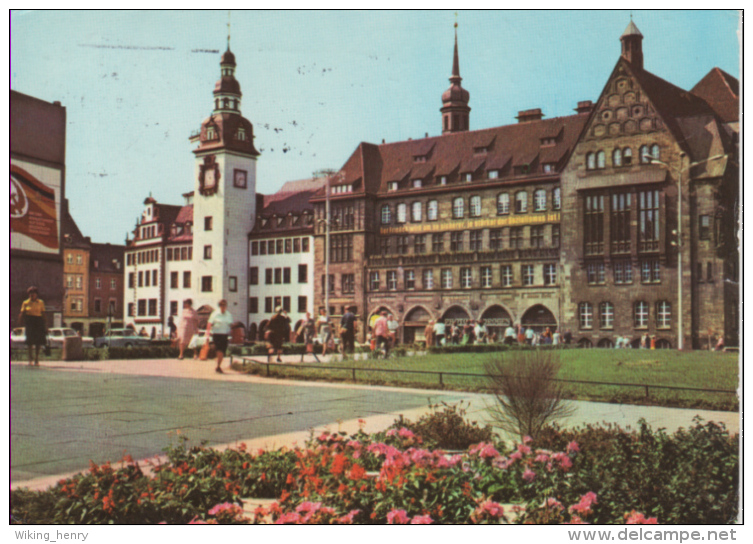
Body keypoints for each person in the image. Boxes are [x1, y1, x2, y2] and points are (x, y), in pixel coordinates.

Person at [19, 286, 47, 366]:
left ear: (36, 294)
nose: (32, 295)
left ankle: (36, 359)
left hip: (38, 321)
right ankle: (30, 359)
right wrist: (20, 321)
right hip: (30, 322)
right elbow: (22, 313)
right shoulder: (25, 303)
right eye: (30, 293)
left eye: (33, 293)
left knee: (38, 341)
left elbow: (43, 314)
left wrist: (45, 325)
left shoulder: (41, 302)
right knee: (30, 341)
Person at [206, 299, 233, 374]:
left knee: (222, 351)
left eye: (224, 305)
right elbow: (209, 324)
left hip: (225, 335)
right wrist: (207, 335)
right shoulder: (215, 314)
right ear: (219, 306)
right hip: (216, 334)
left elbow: (231, 324)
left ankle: (218, 365)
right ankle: (218, 366)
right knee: (219, 350)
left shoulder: (228, 314)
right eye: (221, 305)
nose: (223, 307)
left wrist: (233, 333)